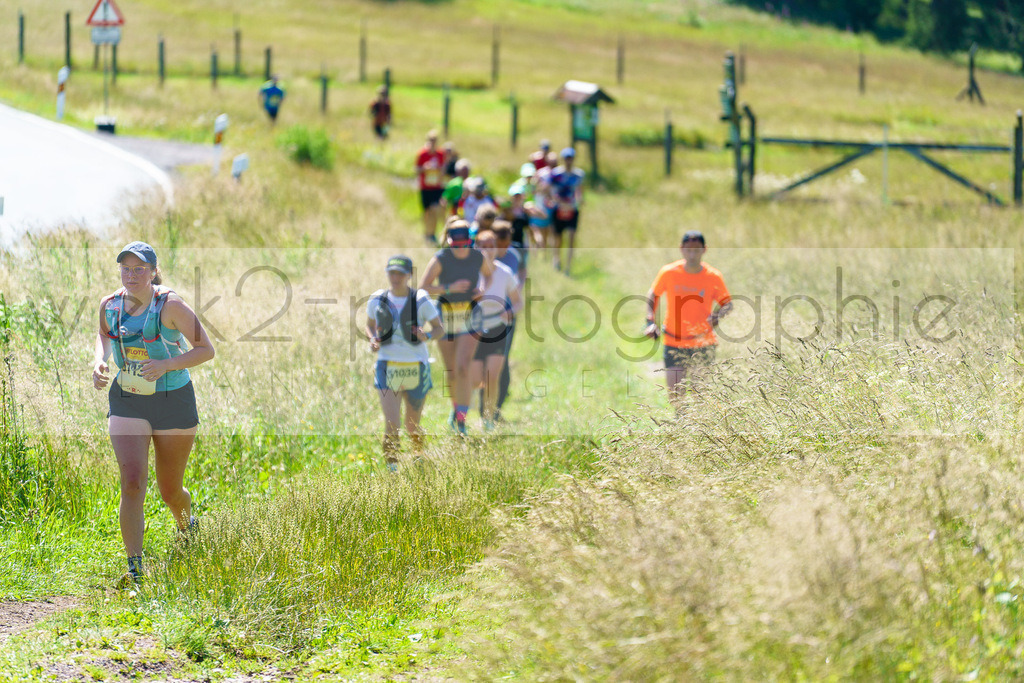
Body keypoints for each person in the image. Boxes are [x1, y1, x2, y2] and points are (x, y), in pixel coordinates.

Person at [92, 241, 216, 587]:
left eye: (140, 269)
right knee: (132, 482)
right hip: (128, 399)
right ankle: (135, 568)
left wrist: (166, 365)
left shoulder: (171, 306)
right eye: (126, 269)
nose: (131, 276)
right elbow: (103, 336)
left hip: (173, 399)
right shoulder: (110, 305)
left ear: (154, 271)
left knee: (170, 491)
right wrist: (99, 361)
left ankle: (188, 527)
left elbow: (207, 350)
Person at [367, 255, 444, 469]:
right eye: (392, 273)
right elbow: (369, 325)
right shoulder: (377, 299)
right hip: (387, 365)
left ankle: (418, 457)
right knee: (392, 424)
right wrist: (373, 339)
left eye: (400, 273)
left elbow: (439, 329)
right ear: (387, 274)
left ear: (409, 275)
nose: (396, 277)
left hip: (416, 366)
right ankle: (393, 470)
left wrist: (426, 336)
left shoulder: (421, 299)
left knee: (413, 425)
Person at [419, 222, 494, 435]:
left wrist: (483, 291)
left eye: (463, 245)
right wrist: (448, 288)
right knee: (452, 371)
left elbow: (489, 275)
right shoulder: (441, 259)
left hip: (471, 315)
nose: (460, 249)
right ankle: (456, 410)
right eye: (455, 245)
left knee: (462, 366)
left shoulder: (478, 257)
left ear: (469, 241)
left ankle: (462, 419)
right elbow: (423, 288)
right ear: (449, 241)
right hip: (445, 316)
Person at [644, 231, 732, 407]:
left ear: (704, 250)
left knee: (702, 397)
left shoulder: (713, 276)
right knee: (676, 397)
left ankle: (701, 432)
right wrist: (650, 321)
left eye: (697, 250)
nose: (692, 255)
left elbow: (728, 304)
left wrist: (718, 315)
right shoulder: (669, 272)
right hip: (673, 341)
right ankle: (680, 427)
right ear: (681, 249)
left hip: (703, 343)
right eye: (689, 250)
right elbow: (653, 295)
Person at [470, 230, 521, 431]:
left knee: (493, 376)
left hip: (498, 328)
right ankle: (469, 409)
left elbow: (518, 302)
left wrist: (510, 312)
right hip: (473, 330)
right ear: (476, 248)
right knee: (475, 380)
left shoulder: (505, 272)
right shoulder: (471, 273)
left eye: (490, 246)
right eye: (482, 246)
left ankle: (488, 420)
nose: (486, 250)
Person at [492, 222, 524, 420]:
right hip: (485, 318)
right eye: (499, 244)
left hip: (507, 316)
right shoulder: (484, 257)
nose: (503, 249)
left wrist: (517, 289)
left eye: (506, 244)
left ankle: (497, 408)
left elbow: (522, 272)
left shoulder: (515, 255)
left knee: (502, 359)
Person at [548, 147, 585, 275]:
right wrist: (559, 203)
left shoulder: (579, 174)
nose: (569, 161)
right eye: (567, 158)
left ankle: (568, 266)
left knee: (571, 237)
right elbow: (551, 191)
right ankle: (556, 259)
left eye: (571, 158)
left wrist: (578, 202)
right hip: (558, 208)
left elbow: (580, 191)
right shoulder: (555, 174)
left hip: (572, 209)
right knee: (558, 237)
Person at [416, 130, 446, 246]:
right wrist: (424, 168)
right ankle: (427, 233)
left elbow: (444, 169)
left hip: (436, 187)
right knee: (427, 212)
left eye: (435, 140)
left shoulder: (440, 154)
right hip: (425, 188)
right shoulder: (422, 154)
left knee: (435, 209)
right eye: (431, 140)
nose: (433, 143)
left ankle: (432, 233)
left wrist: (438, 170)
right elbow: (416, 169)